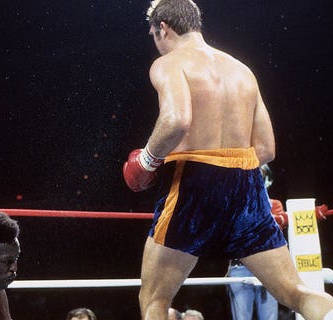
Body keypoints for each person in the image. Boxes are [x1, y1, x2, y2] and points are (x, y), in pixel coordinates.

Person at [121, 0, 333, 319]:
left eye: (153, 33)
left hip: (194, 181)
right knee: (297, 293)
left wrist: (148, 160)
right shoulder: (241, 70)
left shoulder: (170, 63)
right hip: (246, 183)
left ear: (163, 28)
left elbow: (177, 119)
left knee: (154, 300)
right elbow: (267, 148)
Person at [226, 164, 279, 320]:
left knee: (269, 317)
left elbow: (275, 232)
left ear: (267, 180)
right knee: (241, 318)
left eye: (260, 176)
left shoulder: (274, 205)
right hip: (239, 266)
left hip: (268, 267)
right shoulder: (234, 205)